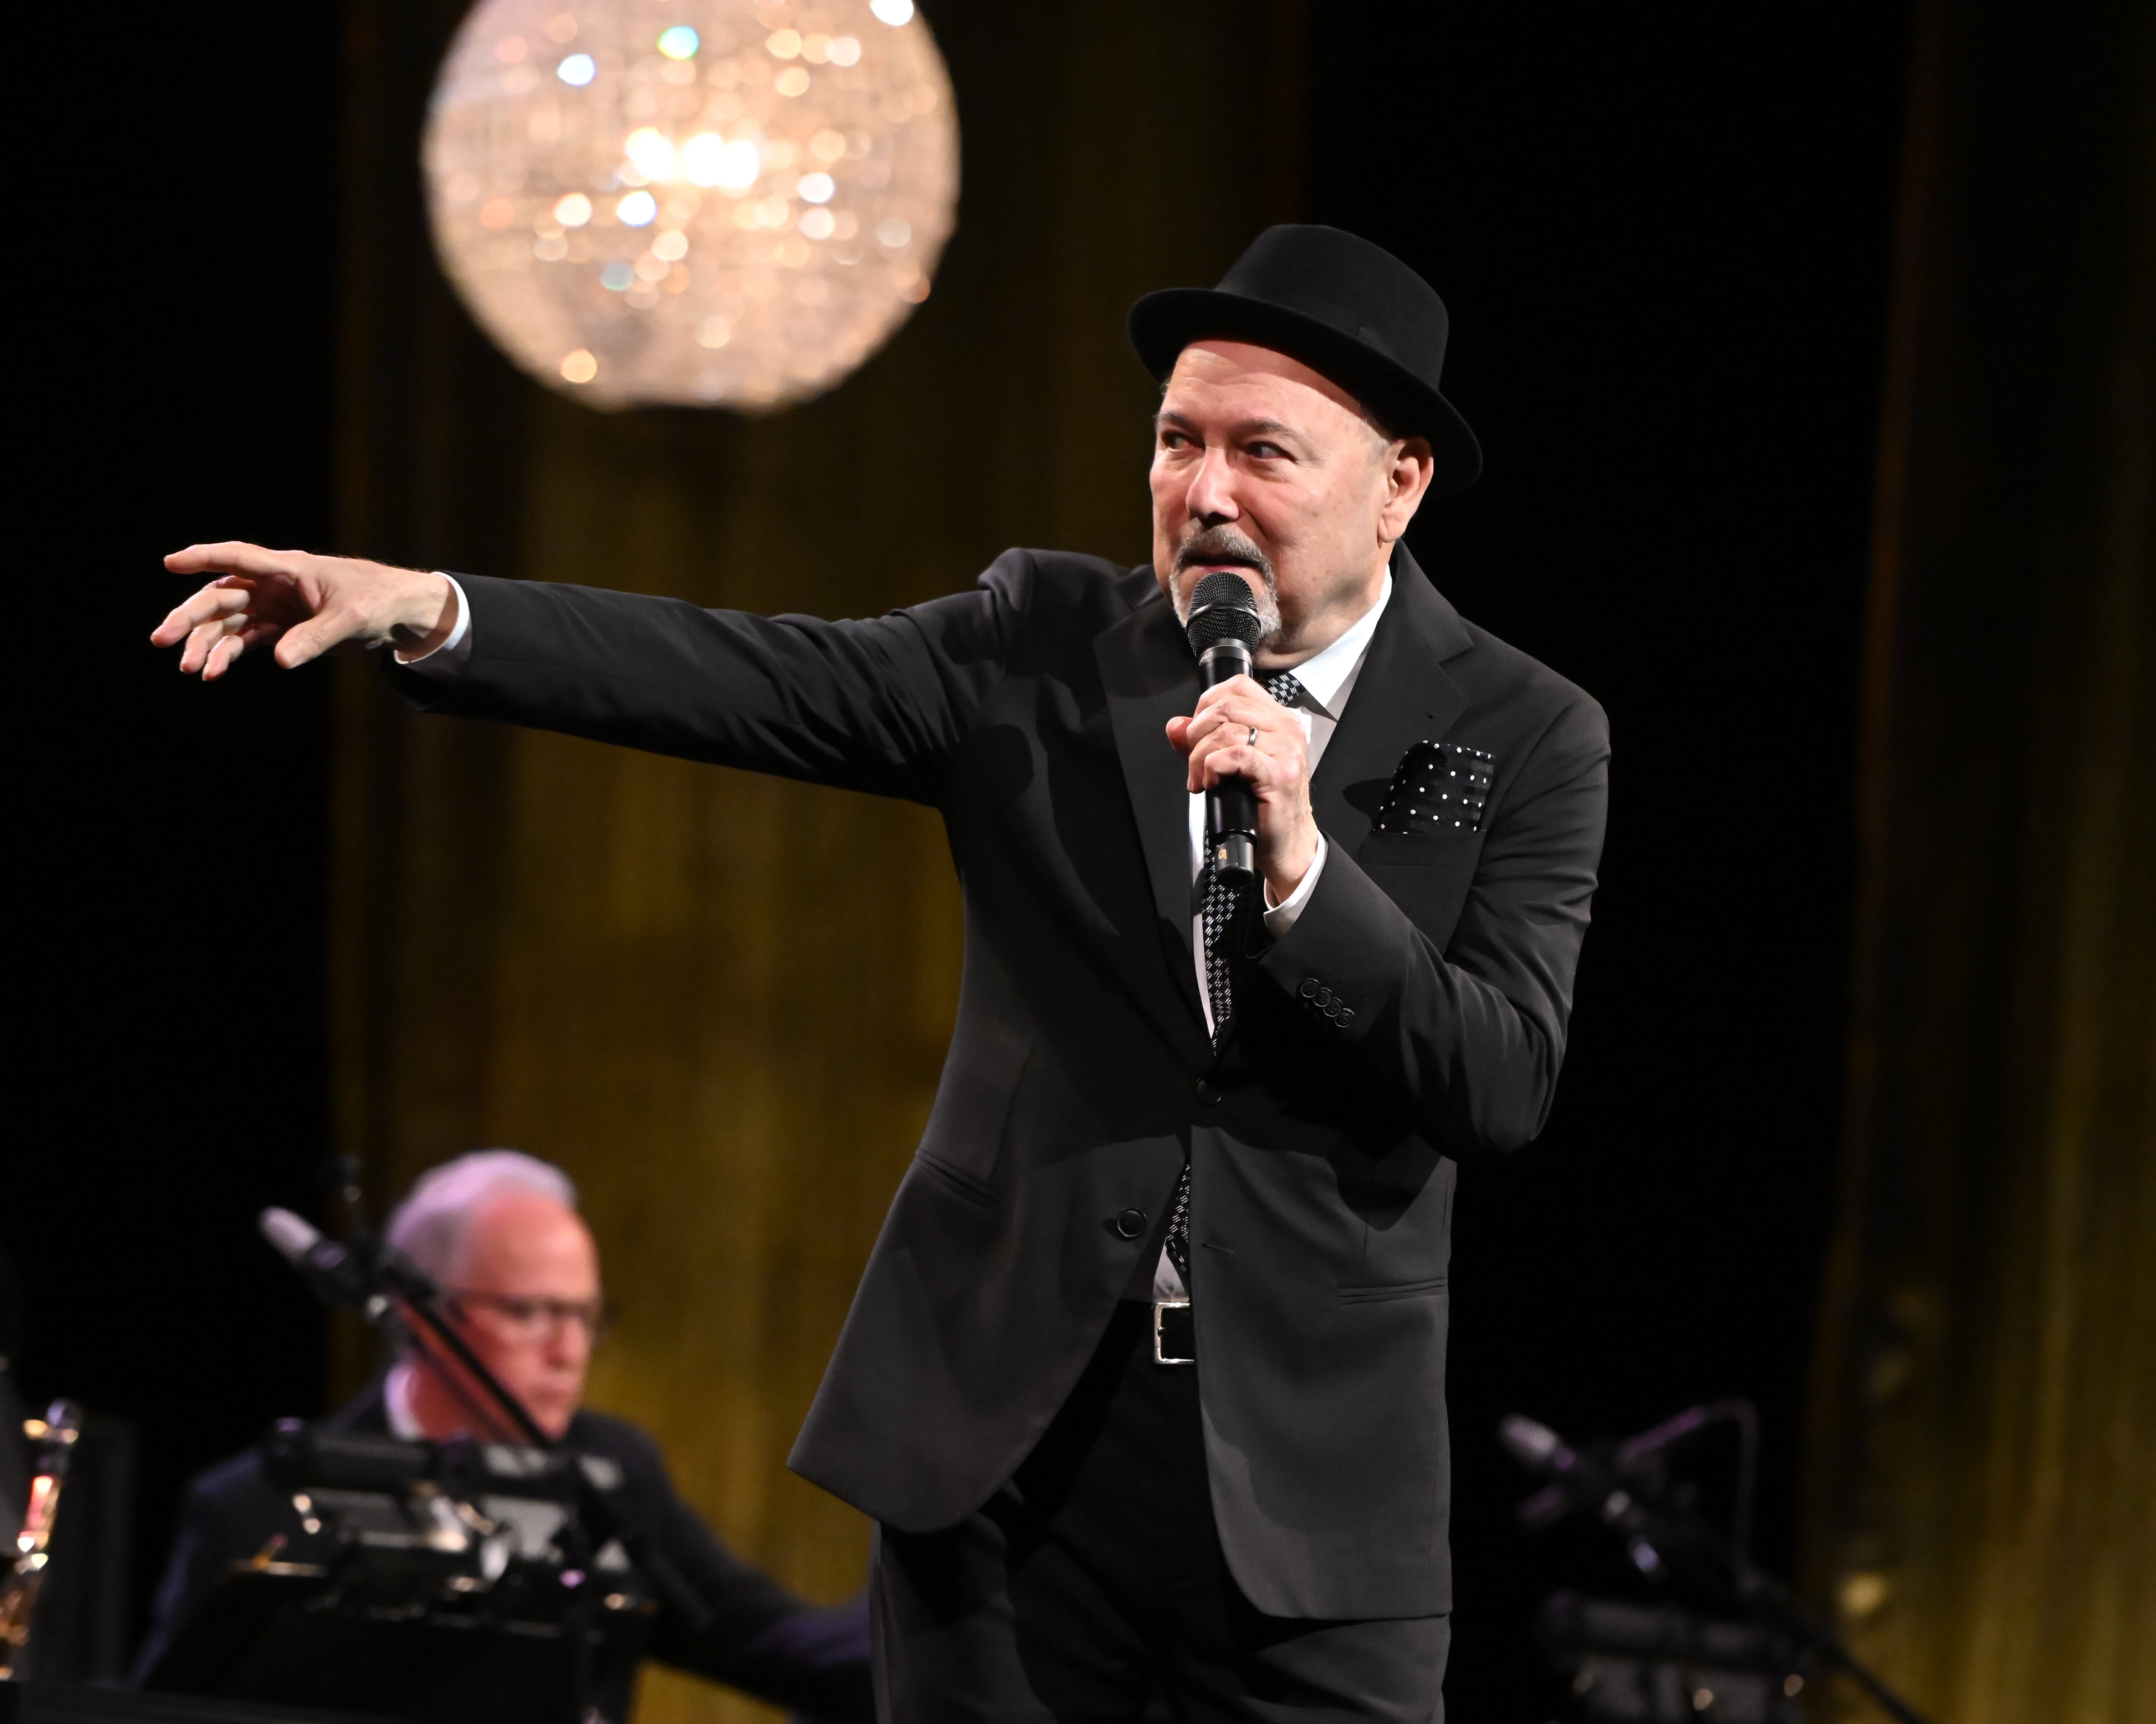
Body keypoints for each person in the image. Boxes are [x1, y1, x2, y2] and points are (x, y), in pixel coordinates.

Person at [153, 225, 1610, 1723]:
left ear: (1401, 484)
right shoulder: (1042, 642)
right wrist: (428, 606)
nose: (1206, 495)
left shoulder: (1527, 733)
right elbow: (743, 676)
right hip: (1006, 1452)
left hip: (1310, 1494)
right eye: (1178, 441)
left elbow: (1500, 1078)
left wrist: (1306, 871)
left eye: (1264, 453)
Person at [135, 1150, 873, 1721]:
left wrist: (955, 1616)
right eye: (531, 1313)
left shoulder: (607, 1470)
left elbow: (767, 1643)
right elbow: (157, 1712)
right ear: (418, 1316)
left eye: (585, 1316)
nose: (569, 1350)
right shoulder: (256, 1504)